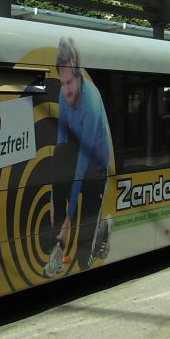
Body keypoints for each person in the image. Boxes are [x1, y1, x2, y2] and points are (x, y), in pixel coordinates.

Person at [44, 37, 113, 277]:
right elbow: (60, 144)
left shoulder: (91, 105)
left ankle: (102, 230)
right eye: (62, 83)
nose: (66, 89)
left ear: (79, 75)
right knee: (60, 153)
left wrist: (69, 218)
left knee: (85, 260)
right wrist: (56, 201)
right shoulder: (64, 95)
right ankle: (57, 248)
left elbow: (82, 166)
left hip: (95, 166)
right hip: (75, 153)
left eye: (70, 82)